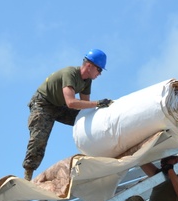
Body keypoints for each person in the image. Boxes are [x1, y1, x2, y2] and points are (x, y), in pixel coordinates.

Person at [22, 49, 112, 181]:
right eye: (99, 70)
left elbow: (84, 106)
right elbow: (71, 102)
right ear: (89, 66)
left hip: (59, 105)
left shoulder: (87, 81)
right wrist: (98, 103)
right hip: (43, 104)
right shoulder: (70, 74)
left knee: (84, 118)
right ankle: (28, 174)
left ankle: (97, 152)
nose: (100, 74)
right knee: (40, 137)